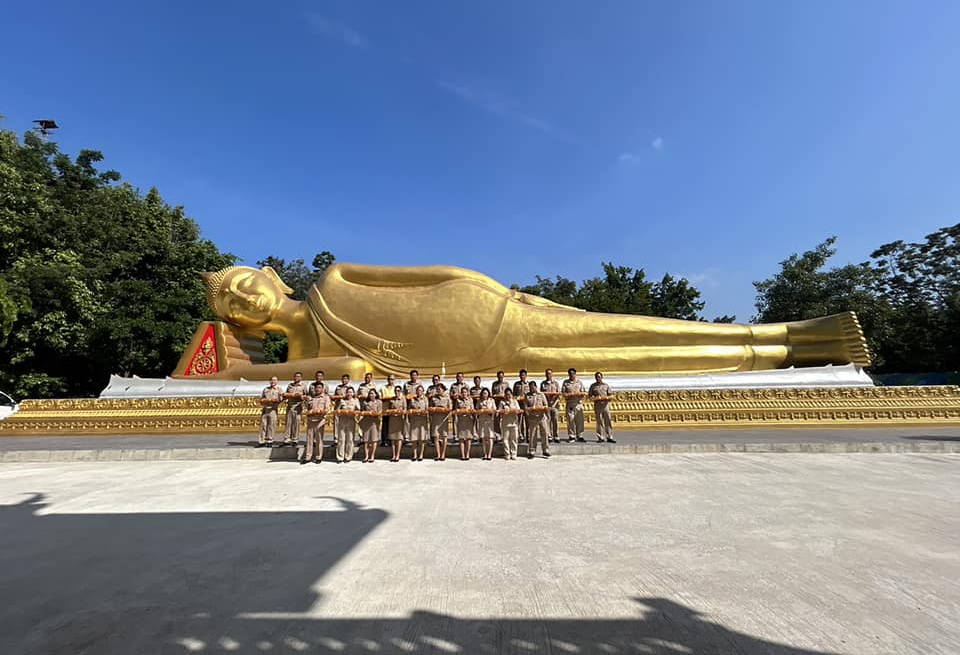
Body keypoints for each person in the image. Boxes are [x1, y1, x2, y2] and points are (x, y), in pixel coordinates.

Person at [193, 263, 870, 380]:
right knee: (626, 361)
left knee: (623, 328)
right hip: (477, 366)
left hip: (485, 311)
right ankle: (790, 355)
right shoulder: (296, 359)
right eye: (232, 305)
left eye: (245, 285)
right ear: (237, 323)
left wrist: (504, 291)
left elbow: (431, 277)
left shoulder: (335, 281)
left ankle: (784, 332)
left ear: (271, 278)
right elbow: (351, 368)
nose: (245, 300)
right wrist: (225, 371)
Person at [302, 387, 331, 464]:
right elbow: (306, 408)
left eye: (319, 388)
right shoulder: (312, 398)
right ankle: (308, 457)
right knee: (309, 439)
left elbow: (327, 409)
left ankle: (319, 457)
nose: (317, 389)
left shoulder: (325, 398)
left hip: (320, 420)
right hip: (311, 419)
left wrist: (321, 411)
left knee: (319, 439)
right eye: (316, 388)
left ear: (322, 389)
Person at [524, 381, 552, 458]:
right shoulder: (527, 396)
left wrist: (544, 410)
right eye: (530, 388)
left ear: (536, 387)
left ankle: (545, 450)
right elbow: (525, 407)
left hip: (541, 416)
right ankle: (532, 451)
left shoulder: (541, 394)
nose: (532, 389)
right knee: (532, 434)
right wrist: (529, 412)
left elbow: (546, 405)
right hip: (532, 417)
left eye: (533, 388)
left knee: (545, 433)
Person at [335, 386, 360, 463]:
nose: (349, 393)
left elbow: (359, 411)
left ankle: (348, 456)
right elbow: (337, 411)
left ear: (353, 393)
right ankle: (340, 457)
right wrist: (341, 412)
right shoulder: (342, 401)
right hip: (342, 420)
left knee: (350, 439)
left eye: (351, 392)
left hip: (351, 420)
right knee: (341, 439)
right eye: (348, 392)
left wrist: (354, 413)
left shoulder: (355, 401)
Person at [589, 371, 616, 443]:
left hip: (605, 405)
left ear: (602, 377)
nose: (598, 378)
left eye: (599, 377)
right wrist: (596, 398)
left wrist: (605, 398)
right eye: (597, 377)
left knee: (608, 421)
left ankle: (609, 436)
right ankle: (600, 437)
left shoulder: (606, 386)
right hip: (598, 405)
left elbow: (611, 395)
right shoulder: (593, 386)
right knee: (599, 422)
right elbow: (590, 397)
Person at [562, 368, 587, 442]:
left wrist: (579, 394)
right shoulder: (566, 383)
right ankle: (571, 435)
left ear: (575, 374)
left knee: (579, 420)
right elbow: (563, 393)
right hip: (570, 403)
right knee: (570, 420)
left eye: (573, 373)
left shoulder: (579, 382)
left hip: (578, 403)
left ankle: (580, 435)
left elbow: (583, 392)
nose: (572, 375)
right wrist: (570, 395)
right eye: (570, 374)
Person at [282, 371, 307, 447]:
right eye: (296, 376)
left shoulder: (303, 386)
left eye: (299, 377)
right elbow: (286, 394)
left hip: (298, 406)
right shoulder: (290, 385)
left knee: (296, 423)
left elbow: (306, 396)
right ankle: (287, 439)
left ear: (301, 378)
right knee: (289, 423)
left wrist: (301, 397)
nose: (297, 378)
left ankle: (295, 439)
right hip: (290, 405)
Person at [257, 376, 283, 447]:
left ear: (277, 382)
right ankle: (262, 440)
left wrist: (275, 401)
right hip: (265, 409)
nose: (273, 382)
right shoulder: (266, 389)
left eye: (274, 380)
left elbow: (281, 399)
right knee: (263, 425)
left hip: (273, 409)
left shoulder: (279, 390)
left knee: (271, 425)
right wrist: (264, 401)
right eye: (271, 380)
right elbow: (261, 398)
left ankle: (269, 440)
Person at [428, 383, 451, 461]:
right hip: (435, 418)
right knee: (436, 437)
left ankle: (443, 454)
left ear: (443, 390)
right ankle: (438, 454)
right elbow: (430, 408)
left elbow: (450, 408)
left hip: (444, 419)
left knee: (444, 436)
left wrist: (444, 410)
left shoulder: (447, 398)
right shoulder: (433, 398)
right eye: (437, 389)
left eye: (439, 389)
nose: (438, 390)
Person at [407, 385, 429, 462]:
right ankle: (415, 454)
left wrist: (424, 412)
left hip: (422, 420)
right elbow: (409, 410)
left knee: (422, 438)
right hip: (414, 420)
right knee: (414, 438)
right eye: (418, 390)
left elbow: (427, 410)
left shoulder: (425, 399)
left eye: (421, 390)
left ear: (423, 391)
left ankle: (421, 454)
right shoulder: (412, 400)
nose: (419, 392)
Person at [359, 388, 382, 463]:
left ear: (376, 394)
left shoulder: (379, 402)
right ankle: (366, 456)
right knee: (366, 440)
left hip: (375, 422)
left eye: (373, 393)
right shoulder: (365, 402)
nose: (371, 395)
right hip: (366, 421)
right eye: (370, 393)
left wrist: (376, 413)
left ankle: (372, 456)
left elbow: (380, 411)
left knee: (374, 439)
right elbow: (362, 411)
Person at [498, 389, 522, 460]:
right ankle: (507, 454)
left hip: (514, 422)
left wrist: (512, 409)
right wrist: (504, 410)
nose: (508, 396)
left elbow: (518, 410)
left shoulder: (515, 401)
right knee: (505, 439)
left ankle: (514, 453)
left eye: (509, 394)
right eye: (507, 394)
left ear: (511, 394)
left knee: (514, 439)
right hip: (505, 422)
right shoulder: (502, 402)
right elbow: (499, 411)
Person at [386, 384, 407, 462]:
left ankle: (398, 455)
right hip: (392, 420)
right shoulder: (392, 399)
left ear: (401, 391)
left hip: (400, 419)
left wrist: (400, 412)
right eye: (395, 391)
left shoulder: (403, 399)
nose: (397, 392)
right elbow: (388, 409)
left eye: (398, 391)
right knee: (393, 438)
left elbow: (405, 410)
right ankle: (394, 455)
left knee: (399, 438)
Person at [540, 368, 562, 443]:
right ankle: (549, 435)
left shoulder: (556, 383)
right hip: (547, 405)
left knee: (555, 420)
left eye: (549, 373)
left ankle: (556, 435)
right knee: (547, 420)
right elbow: (541, 395)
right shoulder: (543, 384)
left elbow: (559, 395)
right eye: (547, 373)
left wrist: (554, 404)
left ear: (552, 374)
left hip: (555, 405)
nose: (548, 375)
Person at [513, 369, 534, 442]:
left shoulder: (529, 384)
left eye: (524, 375)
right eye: (521, 375)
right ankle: (521, 435)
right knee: (520, 421)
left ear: (526, 376)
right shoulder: (516, 384)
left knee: (528, 421)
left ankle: (529, 436)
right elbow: (514, 395)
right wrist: (517, 398)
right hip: (519, 405)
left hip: (527, 405)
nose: (522, 377)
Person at [454, 385, 475, 460]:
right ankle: (463, 455)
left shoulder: (470, 400)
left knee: (468, 438)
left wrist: (469, 411)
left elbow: (473, 409)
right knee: (461, 438)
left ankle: (467, 454)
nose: (464, 393)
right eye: (462, 392)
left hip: (469, 419)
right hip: (461, 420)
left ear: (467, 393)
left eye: (465, 392)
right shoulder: (458, 401)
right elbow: (456, 410)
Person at [476, 387, 497, 460]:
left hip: (489, 420)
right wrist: (481, 411)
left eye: (486, 393)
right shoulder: (479, 401)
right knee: (484, 437)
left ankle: (489, 454)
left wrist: (489, 411)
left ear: (488, 394)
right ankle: (485, 454)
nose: (485, 395)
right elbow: (476, 410)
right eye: (483, 393)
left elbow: (495, 410)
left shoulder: (492, 401)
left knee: (490, 437)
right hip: (482, 420)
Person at [332, 374, 352, 445]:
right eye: (343, 379)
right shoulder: (338, 387)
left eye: (346, 379)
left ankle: (346, 439)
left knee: (346, 423)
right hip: (338, 407)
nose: (344, 380)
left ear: (348, 380)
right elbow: (334, 397)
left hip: (347, 407)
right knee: (336, 423)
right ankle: (336, 439)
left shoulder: (350, 388)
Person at [491, 371, 510, 442]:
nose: (500, 378)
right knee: (496, 419)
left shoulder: (506, 384)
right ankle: (498, 435)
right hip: (496, 403)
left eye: (501, 377)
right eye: (499, 377)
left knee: (505, 419)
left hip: (504, 403)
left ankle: (505, 435)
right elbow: (492, 394)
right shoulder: (494, 384)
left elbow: (509, 393)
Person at [448, 372, 468, 443]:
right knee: (455, 421)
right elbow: (450, 395)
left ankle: (465, 435)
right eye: (458, 377)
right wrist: (454, 396)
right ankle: (455, 436)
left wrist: (462, 395)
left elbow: (468, 395)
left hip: (464, 405)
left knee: (465, 420)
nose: (459, 378)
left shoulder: (466, 385)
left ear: (463, 377)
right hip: (455, 405)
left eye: (461, 377)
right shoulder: (453, 386)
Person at [380, 374, 398, 447]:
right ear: (387, 380)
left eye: (392, 379)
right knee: (385, 426)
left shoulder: (397, 388)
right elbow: (381, 397)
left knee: (393, 426)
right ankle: (384, 441)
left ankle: (392, 440)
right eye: (390, 379)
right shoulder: (383, 388)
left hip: (394, 410)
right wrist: (389, 398)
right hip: (386, 409)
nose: (391, 381)